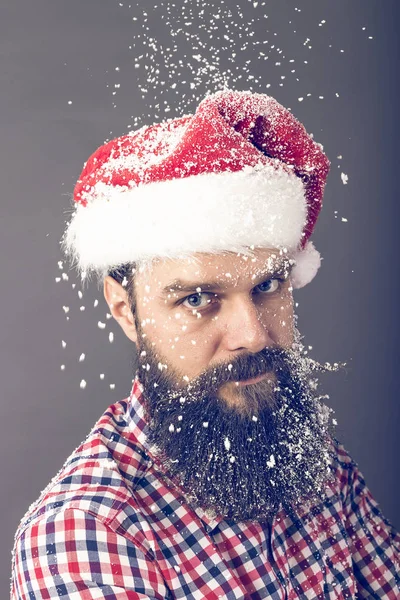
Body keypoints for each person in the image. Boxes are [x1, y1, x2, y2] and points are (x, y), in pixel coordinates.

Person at [11, 90, 399, 599]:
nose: (253, 334)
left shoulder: (310, 455)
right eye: (198, 298)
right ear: (125, 310)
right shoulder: (89, 538)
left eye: (267, 286)